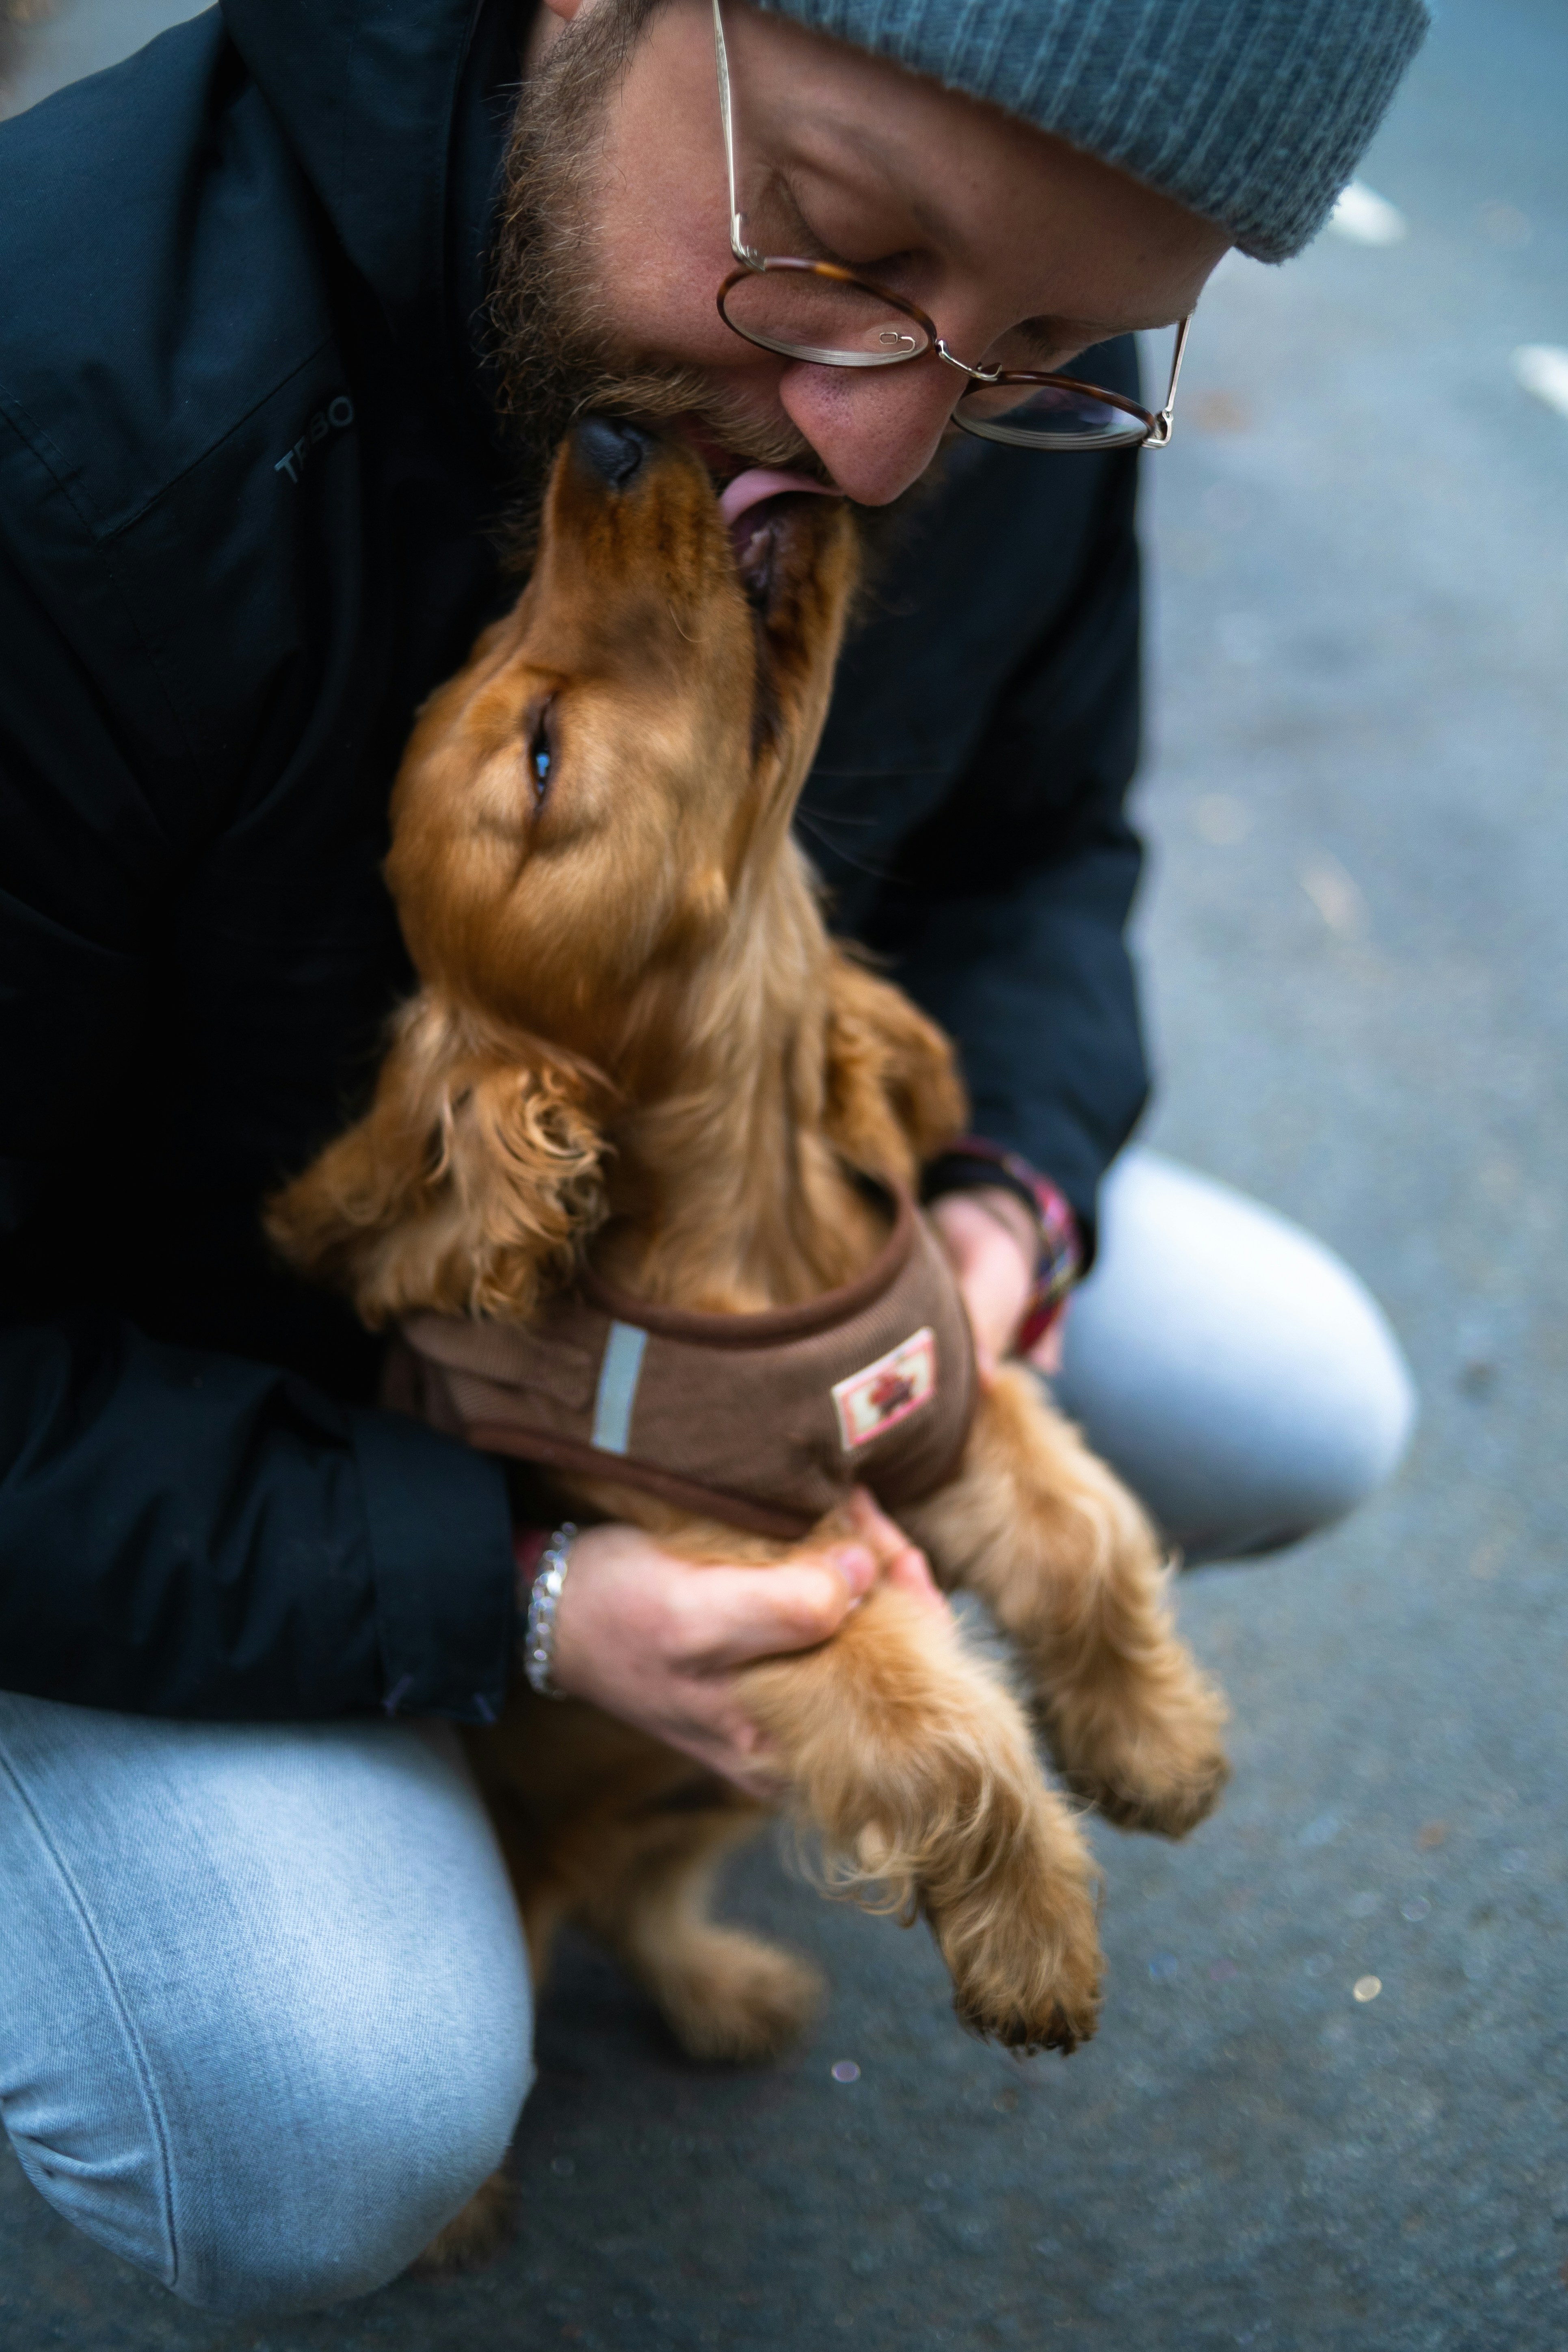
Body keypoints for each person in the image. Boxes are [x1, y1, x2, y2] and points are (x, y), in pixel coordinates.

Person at [0, 0, 1424, 2315]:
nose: (880, 447)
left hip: (759, 1204)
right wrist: (525, 1602)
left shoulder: (980, 355)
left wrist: (999, 1220)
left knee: (1295, 1396)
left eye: (1059, 343)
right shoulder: (62, 417)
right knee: (317, 2099)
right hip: (138, 1374)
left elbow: (1043, 858)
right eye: (843, 245)